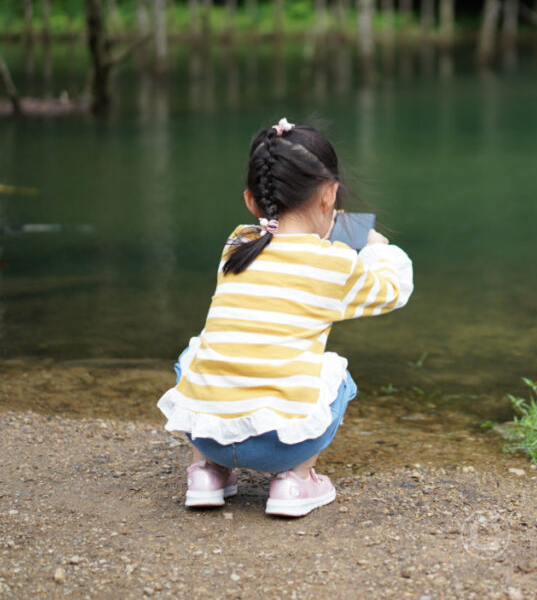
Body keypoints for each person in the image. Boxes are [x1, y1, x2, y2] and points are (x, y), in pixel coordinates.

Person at [157, 118, 413, 517]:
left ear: (250, 200)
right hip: (280, 445)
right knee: (334, 371)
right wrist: (377, 246)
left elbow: (285, 249)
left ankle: (207, 472)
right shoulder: (334, 264)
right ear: (330, 194)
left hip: (207, 435)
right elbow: (392, 290)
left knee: (198, 352)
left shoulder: (236, 245)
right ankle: (294, 482)